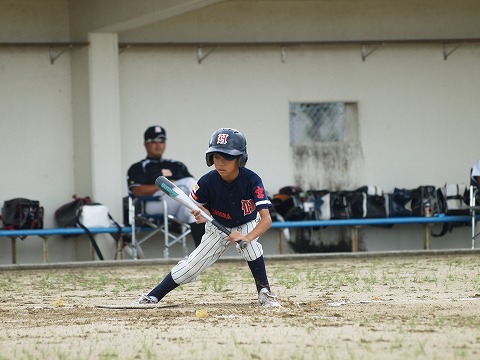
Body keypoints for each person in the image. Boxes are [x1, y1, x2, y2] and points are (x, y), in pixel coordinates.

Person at [133, 127, 281, 308]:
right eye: (216, 157)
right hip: (217, 227)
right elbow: (197, 206)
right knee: (189, 269)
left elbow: (266, 219)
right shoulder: (206, 181)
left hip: (248, 223)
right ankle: (153, 296)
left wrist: (246, 237)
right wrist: (201, 212)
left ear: (240, 159)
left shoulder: (252, 180)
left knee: (250, 247)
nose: (220, 162)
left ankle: (264, 292)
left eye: (227, 157)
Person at [127, 125, 204, 247]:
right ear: (146, 144)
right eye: (153, 141)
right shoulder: (138, 167)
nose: (158, 145)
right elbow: (137, 191)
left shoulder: (176, 165)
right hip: (153, 204)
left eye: (161, 141)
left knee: (194, 211)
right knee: (189, 182)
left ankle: (203, 253)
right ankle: (215, 210)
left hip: (178, 206)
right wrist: (166, 185)